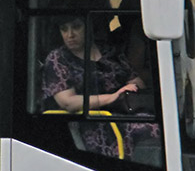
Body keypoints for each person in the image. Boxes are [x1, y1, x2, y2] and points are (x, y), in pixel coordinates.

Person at [41, 11, 155, 159]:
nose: (70, 35)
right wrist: (113, 97)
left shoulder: (109, 51)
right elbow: (68, 102)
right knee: (147, 129)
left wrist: (132, 87)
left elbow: (135, 80)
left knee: (157, 124)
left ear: (89, 26)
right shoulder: (58, 58)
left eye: (76, 27)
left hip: (125, 113)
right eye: (64, 29)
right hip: (89, 123)